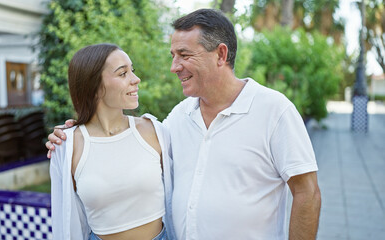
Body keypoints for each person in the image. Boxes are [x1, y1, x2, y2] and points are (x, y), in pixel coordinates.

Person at [47, 9, 321, 240]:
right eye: (172, 55)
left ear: (220, 55)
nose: (174, 66)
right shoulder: (178, 118)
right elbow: (124, 151)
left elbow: (307, 192)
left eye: (184, 55)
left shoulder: (274, 110)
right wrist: (75, 132)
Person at [49, 43, 174, 240]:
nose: (136, 79)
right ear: (94, 87)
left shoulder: (155, 132)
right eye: (123, 74)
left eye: (132, 71)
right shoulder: (66, 145)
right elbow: (65, 221)